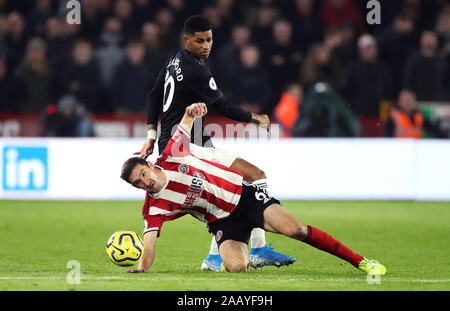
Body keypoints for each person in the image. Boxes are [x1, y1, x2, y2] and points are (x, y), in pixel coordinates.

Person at [121, 102, 387, 275]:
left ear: (149, 165)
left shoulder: (172, 155)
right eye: (138, 183)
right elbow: (150, 240)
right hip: (222, 221)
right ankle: (248, 250)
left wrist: (192, 111)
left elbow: (186, 122)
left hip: (246, 196)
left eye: (143, 174)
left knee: (295, 230)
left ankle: (361, 261)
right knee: (236, 268)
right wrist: (143, 266)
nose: (146, 182)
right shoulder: (153, 206)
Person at [135, 15, 295, 272]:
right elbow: (222, 105)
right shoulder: (195, 69)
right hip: (186, 147)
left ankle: (214, 258)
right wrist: (255, 118)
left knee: (224, 193)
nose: (206, 45)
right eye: (199, 41)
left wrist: (151, 136)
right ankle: (258, 249)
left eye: (209, 39)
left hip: (184, 143)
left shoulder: (175, 59)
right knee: (254, 176)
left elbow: (154, 94)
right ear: (187, 40)